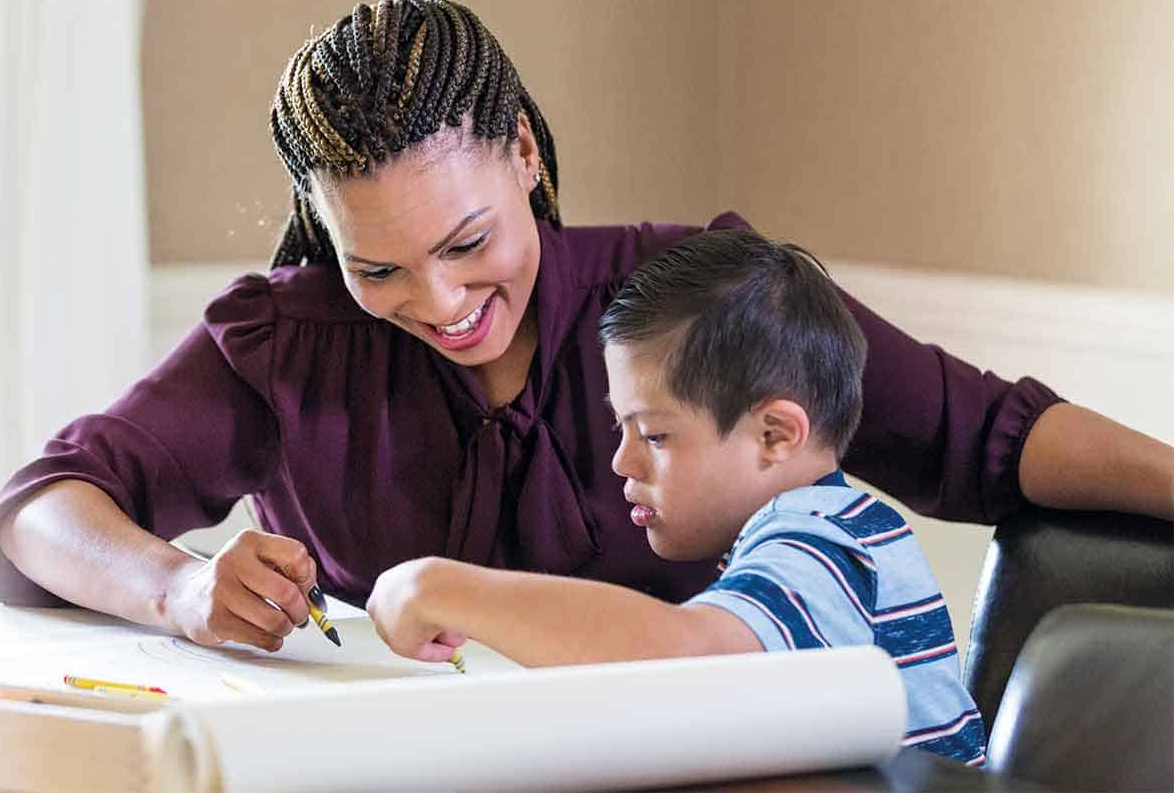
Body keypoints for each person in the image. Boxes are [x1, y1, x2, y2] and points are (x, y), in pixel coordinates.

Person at [0, 0, 1173, 656]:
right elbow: (43, 508)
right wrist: (176, 589)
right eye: (376, 265)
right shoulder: (292, 342)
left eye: (467, 242)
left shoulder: (699, 300)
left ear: (525, 154)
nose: (439, 305)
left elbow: (986, 437)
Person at [364, 229, 986, 764]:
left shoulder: (821, 539)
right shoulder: (826, 532)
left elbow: (694, 662)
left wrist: (440, 589)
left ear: (774, 434)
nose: (622, 460)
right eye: (622, 428)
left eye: (655, 434)